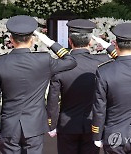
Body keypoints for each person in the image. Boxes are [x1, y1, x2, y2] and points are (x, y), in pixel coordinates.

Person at [0, 15, 77, 154]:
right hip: (34, 125)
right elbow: (71, 61)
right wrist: (49, 42)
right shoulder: (43, 60)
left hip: (9, 126)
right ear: (33, 39)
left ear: (11, 40)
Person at [46, 19, 112, 154]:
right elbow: (119, 57)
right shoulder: (102, 62)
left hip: (67, 125)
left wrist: (52, 124)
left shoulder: (60, 66)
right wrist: (105, 44)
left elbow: (53, 100)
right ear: (90, 42)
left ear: (70, 41)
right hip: (92, 124)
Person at [92, 23, 131, 153]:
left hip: (115, 135)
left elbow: (99, 107)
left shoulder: (104, 71)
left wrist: (97, 135)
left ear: (116, 45)